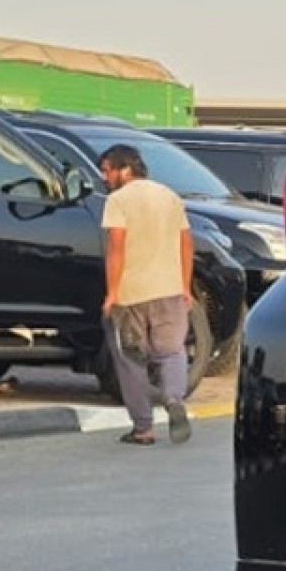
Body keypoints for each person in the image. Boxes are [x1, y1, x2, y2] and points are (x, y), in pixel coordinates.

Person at [97, 143, 194, 446]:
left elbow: (116, 247)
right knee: (171, 351)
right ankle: (174, 399)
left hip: (131, 294)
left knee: (131, 359)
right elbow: (186, 243)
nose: (105, 178)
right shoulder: (169, 196)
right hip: (170, 290)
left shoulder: (118, 200)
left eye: (107, 171)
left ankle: (143, 428)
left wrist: (112, 292)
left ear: (124, 169)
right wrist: (185, 286)